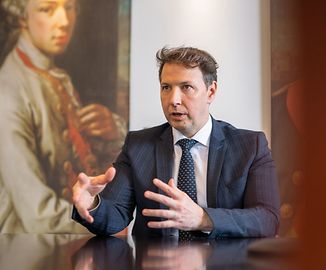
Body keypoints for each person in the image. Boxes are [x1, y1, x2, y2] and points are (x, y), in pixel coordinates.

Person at [72, 46, 280, 238]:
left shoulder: (250, 146)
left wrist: (202, 218)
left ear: (211, 91)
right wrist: (91, 204)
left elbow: (267, 219)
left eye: (186, 87)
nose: (173, 100)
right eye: (166, 88)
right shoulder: (138, 146)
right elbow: (115, 216)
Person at [0, 0, 127, 233]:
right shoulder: (9, 93)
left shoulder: (56, 76)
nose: (65, 22)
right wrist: (111, 226)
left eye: (69, 8)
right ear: (21, 17)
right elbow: (38, 213)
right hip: (29, 251)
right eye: (47, 9)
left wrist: (114, 130)